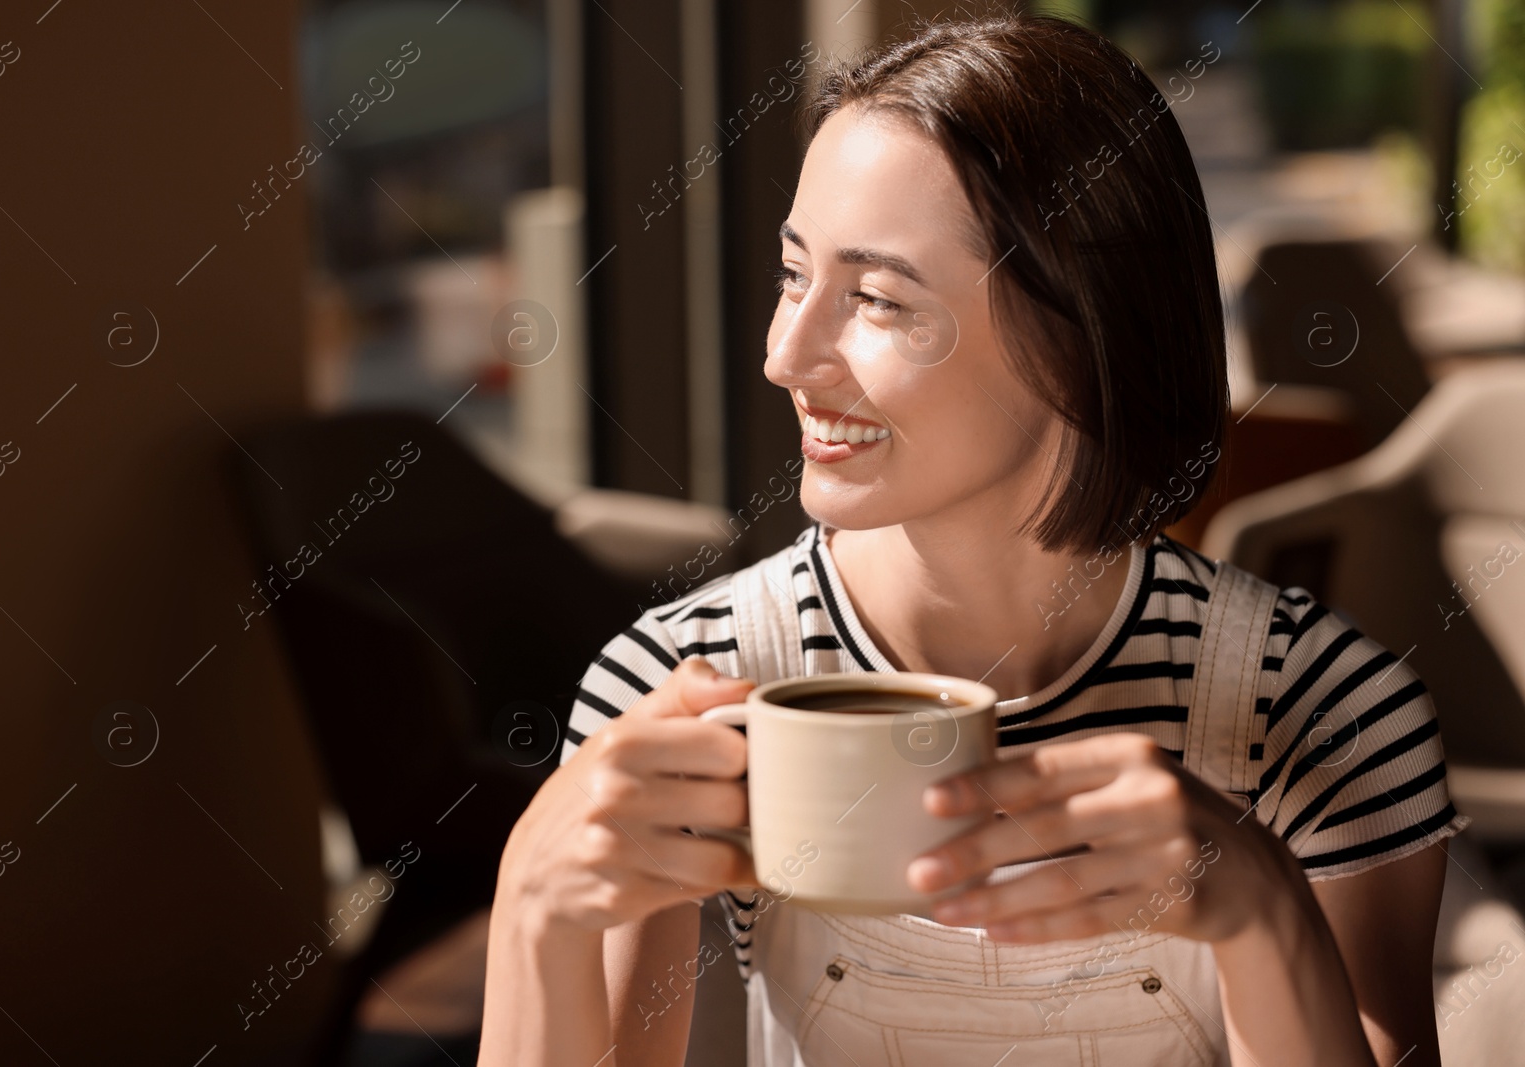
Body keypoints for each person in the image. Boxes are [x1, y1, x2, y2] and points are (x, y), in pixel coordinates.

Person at [478, 14, 1466, 1067]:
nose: (785, 353)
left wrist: (1261, 906)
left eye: (874, 299)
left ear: (1084, 333)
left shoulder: (1324, 707)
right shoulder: (682, 678)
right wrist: (532, 907)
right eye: (790, 274)